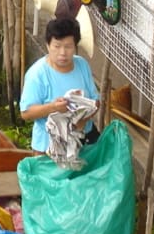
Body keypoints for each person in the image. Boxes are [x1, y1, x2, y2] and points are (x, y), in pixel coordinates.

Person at [19, 17, 99, 153]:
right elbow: (26, 113)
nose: (62, 53)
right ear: (47, 45)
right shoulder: (37, 74)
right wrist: (53, 107)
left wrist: (83, 119)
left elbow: (95, 101)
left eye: (68, 47)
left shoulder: (82, 65)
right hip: (50, 147)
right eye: (57, 46)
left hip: (83, 139)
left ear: (75, 46)